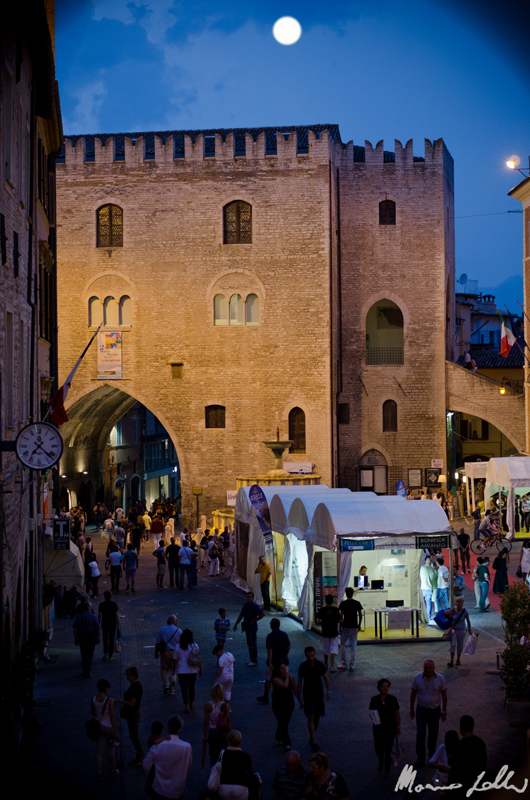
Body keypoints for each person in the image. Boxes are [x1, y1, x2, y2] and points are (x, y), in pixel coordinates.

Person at [143, 715, 192, 800]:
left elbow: (146, 766)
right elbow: (188, 765)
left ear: (168, 727)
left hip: (159, 789)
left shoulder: (157, 746)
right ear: (180, 728)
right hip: (177, 791)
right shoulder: (187, 747)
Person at [410, 658, 448, 767]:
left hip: (434, 711)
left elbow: (444, 695)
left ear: (434, 668)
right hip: (421, 710)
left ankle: (432, 756)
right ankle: (421, 757)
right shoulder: (417, 678)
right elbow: (413, 693)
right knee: (420, 733)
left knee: (433, 734)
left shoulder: (440, 679)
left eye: (430, 668)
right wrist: (411, 708)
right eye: (426, 667)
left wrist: (444, 710)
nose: (427, 670)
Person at [297, 645, 331, 752]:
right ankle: (314, 741)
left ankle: (312, 737)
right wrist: (300, 695)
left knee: (317, 717)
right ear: (306, 656)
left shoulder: (319, 665)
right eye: (309, 656)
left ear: (314, 654)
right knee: (311, 717)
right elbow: (299, 681)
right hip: (308, 694)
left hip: (318, 694)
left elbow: (326, 678)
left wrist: (329, 691)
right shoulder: (303, 666)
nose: (311, 658)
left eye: (312, 656)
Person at [448, 715, 487, 799]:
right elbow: (484, 764)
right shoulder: (480, 743)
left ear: (461, 727)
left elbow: (454, 769)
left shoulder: (459, 746)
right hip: (477, 783)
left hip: (462, 785)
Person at [369, 677, 400, 778]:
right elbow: (371, 712)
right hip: (378, 727)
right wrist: (374, 718)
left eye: (387, 686)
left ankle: (387, 769)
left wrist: (398, 726)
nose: (385, 688)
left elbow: (397, 713)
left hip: (390, 727)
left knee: (388, 748)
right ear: (378, 688)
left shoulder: (393, 699)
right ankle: (381, 761)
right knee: (378, 747)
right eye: (383, 687)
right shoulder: (374, 700)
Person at [90, 678, 120, 780]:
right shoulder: (110, 701)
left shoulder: (93, 699)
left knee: (99, 750)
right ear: (106, 688)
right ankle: (112, 770)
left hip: (99, 728)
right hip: (109, 728)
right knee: (111, 749)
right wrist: (115, 732)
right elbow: (112, 717)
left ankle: (98, 773)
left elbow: (93, 713)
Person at [257, 617, 290, 704]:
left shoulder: (270, 636)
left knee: (268, 678)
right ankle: (286, 695)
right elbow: (288, 646)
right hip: (284, 660)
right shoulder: (284, 634)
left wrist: (270, 661)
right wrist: (285, 654)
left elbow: (270, 650)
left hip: (274, 661)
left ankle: (266, 695)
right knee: (285, 677)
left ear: (271, 626)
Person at [117, 666, 144, 767]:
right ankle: (138, 757)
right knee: (133, 735)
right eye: (126, 674)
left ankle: (140, 757)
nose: (127, 677)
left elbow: (132, 703)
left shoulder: (135, 687)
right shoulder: (135, 685)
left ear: (134, 676)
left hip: (133, 713)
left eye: (129, 675)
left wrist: (121, 701)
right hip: (132, 713)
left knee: (134, 736)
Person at [171, 628, 202, 713]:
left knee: (184, 688)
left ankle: (187, 704)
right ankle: (192, 702)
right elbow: (198, 658)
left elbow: (175, 660)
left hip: (182, 671)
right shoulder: (195, 645)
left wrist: (173, 670)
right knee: (192, 687)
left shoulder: (178, 647)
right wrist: (200, 669)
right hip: (193, 670)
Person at [219, 729, 255, 800]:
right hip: (240, 787)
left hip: (224, 787)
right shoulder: (245, 756)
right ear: (240, 741)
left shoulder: (223, 754)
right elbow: (251, 772)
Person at [271, 663, 299, 751]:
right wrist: (287, 676)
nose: (285, 670)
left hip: (289, 703)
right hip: (278, 703)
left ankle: (278, 735)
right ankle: (287, 742)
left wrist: (300, 699)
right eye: (283, 668)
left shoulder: (291, 677)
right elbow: (285, 685)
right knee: (282, 722)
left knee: (284, 722)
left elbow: (294, 688)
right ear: (278, 671)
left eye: (285, 668)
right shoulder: (275, 679)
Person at [233, 591, 265, 666]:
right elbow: (241, 615)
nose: (248, 598)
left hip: (252, 627)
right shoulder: (246, 605)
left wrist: (255, 620)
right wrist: (236, 624)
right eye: (248, 596)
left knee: (252, 644)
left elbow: (262, 614)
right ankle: (252, 659)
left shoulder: (254, 606)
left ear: (252, 598)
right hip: (247, 627)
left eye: (250, 597)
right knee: (250, 644)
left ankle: (254, 660)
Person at [203, 683, 231, 766]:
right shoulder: (225, 706)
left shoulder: (207, 706)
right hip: (223, 732)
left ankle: (213, 771)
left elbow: (206, 722)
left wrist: (205, 736)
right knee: (224, 754)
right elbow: (228, 720)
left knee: (213, 755)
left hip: (212, 732)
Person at [155, 615, 182, 695]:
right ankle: (172, 689)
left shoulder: (162, 629)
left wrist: (156, 652)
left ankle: (166, 685)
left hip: (165, 652)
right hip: (175, 652)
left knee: (164, 669)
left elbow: (158, 642)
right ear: (174, 622)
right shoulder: (179, 631)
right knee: (174, 670)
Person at [337, 587, 363, 671]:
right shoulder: (357, 603)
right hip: (354, 626)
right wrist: (359, 625)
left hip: (346, 626)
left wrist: (339, 628)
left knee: (342, 644)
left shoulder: (343, 604)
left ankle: (344, 663)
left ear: (346, 594)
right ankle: (352, 664)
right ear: (353, 593)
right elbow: (360, 615)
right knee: (353, 645)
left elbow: (341, 617)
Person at [73, 601, 101, 678]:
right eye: (91, 606)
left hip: (82, 637)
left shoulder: (78, 616)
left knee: (83, 653)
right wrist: (98, 637)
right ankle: (87, 671)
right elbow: (98, 628)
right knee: (90, 654)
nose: (91, 608)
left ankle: (84, 670)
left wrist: (76, 639)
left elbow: (75, 629)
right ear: (88, 608)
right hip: (91, 637)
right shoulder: (93, 616)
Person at [315, 595, 341, 672]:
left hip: (325, 631)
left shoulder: (322, 609)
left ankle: (326, 663)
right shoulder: (335, 610)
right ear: (332, 601)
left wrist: (323, 622)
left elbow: (318, 621)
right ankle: (332, 666)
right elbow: (340, 620)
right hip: (333, 632)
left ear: (325, 601)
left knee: (326, 649)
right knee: (333, 649)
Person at [445, 596, 472, 667]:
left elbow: (468, 621)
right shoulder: (453, 609)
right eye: (457, 602)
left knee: (460, 645)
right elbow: (445, 614)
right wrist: (450, 612)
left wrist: (469, 630)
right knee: (453, 645)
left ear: (462, 603)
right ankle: (451, 660)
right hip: (454, 630)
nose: (458, 603)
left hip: (461, 630)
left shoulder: (465, 612)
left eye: (460, 602)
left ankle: (458, 659)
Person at [98, 591, 120, 661]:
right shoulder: (114, 604)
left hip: (104, 623)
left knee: (105, 638)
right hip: (112, 623)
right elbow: (117, 615)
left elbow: (99, 615)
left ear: (104, 597)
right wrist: (118, 624)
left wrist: (98, 623)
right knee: (111, 639)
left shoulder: (101, 604)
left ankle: (105, 653)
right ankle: (111, 655)